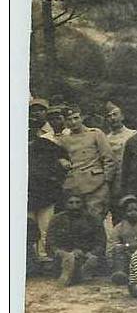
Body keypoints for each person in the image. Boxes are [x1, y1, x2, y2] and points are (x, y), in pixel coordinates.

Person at [59, 104, 115, 218]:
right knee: (76, 220)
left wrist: (106, 183)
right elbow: (60, 156)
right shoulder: (64, 139)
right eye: (69, 119)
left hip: (96, 185)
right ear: (65, 122)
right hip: (75, 186)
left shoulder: (95, 134)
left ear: (81, 118)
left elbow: (109, 159)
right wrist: (62, 161)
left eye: (76, 118)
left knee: (95, 219)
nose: (73, 122)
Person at [28, 102, 69, 260]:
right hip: (25, 194)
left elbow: (64, 160)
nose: (29, 132)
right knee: (28, 227)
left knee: (45, 228)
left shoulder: (46, 144)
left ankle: (45, 257)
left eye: (32, 129)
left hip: (45, 193)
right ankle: (30, 260)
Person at [46, 192, 106, 286]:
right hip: (64, 256)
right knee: (67, 260)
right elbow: (50, 242)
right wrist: (60, 252)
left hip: (86, 254)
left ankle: (77, 273)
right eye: (71, 203)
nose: (75, 206)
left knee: (91, 261)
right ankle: (73, 273)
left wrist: (91, 253)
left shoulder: (93, 219)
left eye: (78, 202)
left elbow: (101, 242)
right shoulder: (57, 219)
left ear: (83, 203)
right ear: (65, 204)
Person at [108, 195, 137, 285]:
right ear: (124, 213)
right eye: (129, 211)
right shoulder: (119, 227)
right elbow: (112, 244)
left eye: (136, 210)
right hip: (127, 257)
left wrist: (128, 245)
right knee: (118, 249)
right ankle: (121, 273)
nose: (133, 213)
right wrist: (111, 263)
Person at [104, 101, 137, 198]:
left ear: (122, 116)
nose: (112, 118)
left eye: (115, 114)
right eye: (109, 116)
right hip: (115, 181)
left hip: (132, 179)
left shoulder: (133, 134)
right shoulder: (105, 139)